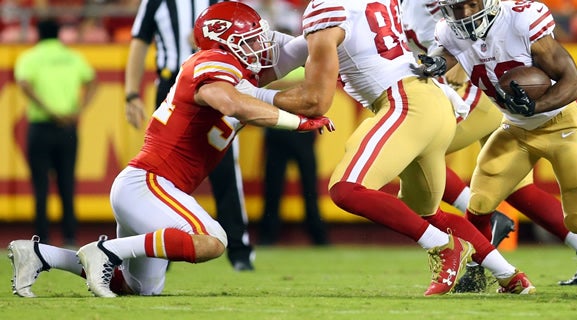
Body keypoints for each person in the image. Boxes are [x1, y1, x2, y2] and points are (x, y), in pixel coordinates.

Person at [7, 1, 334, 298]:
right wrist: (298, 122)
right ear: (225, 41)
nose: (258, 46)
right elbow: (233, 104)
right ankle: (107, 251)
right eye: (249, 39)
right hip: (149, 183)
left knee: (137, 287)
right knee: (212, 241)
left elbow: (291, 54)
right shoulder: (213, 63)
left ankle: (40, 256)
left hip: (149, 187)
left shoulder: (237, 72)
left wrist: (335, 23)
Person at [238, 0, 535, 295]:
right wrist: (235, 77)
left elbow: (316, 101)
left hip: (405, 104)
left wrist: (252, 95)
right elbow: (293, 55)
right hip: (432, 101)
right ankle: (510, 276)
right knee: (430, 214)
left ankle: (443, 247)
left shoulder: (326, 10)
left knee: (347, 189)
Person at [401, 0, 577, 291]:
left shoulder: (521, 20)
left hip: (562, 124)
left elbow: (574, 83)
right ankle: (478, 271)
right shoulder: (447, 30)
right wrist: (437, 61)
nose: (463, 14)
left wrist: (536, 104)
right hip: (515, 128)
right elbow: (447, 51)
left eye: (469, 5)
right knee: (479, 203)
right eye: (454, 8)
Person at [124, 0, 255, 271]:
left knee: (226, 171)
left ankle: (239, 250)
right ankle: (167, 249)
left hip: (217, 85)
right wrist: (131, 93)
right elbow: (139, 40)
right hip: (173, 86)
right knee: (166, 171)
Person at [14, 18, 97, 247]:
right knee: (67, 183)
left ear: (38, 34)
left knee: (40, 186)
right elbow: (92, 82)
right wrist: (78, 110)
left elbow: (24, 84)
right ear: (59, 33)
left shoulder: (30, 57)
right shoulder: (72, 57)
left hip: (41, 127)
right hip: (68, 127)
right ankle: (70, 237)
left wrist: (48, 110)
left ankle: (42, 238)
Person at [259, 67, 330, 246]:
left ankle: (318, 236)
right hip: (279, 130)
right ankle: (268, 235)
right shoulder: (277, 58)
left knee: (309, 187)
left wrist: (281, 91)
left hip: (300, 130)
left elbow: (270, 89)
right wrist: (296, 90)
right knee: (273, 187)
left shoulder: (296, 57)